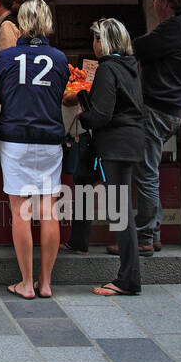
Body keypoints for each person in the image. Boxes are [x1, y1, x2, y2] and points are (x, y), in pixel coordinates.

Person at [0, 0, 69, 299]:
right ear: (47, 23)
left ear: (21, 24)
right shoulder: (60, 59)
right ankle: (46, 282)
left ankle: (25, 283)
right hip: (50, 137)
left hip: (16, 138)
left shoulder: (7, 58)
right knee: (49, 209)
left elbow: (0, 94)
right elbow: (60, 93)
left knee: (20, 210)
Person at [62, 19, 146, 295]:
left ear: (104, 42)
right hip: (129, 142)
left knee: (121, 213)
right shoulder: (129, 66)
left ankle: (128, 279)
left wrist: (82, 116)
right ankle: (80, 241)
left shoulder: (108, 68)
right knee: (91, 184)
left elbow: (101, 115)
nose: (93, 44)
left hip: (115, 146)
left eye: (96, 39)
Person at [125, 0, 181, 256]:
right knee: (150, 170)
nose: (154, 4)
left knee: (146, 173)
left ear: (167, 3)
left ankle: (145, 237)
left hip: (157, 109)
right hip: (172, 109)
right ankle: (153, 233)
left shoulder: (175, 28)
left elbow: (138, 47)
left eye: (156, 0)